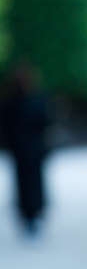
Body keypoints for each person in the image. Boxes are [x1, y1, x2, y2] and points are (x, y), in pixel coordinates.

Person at [0, 64, 51, 237]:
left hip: (29, 150)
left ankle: (33, 214)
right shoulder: (20, 100)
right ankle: (29, 215)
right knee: (26, 185)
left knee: (31, 184)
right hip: (25, 150)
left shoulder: (30, 100)